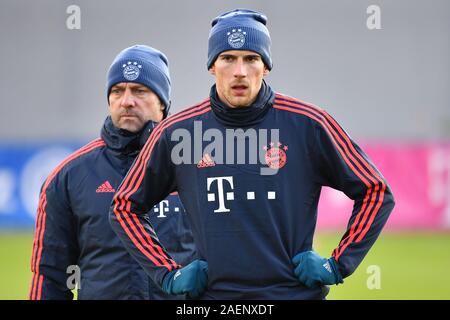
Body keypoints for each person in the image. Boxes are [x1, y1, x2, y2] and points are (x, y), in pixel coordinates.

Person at [109, 9, 395, 299]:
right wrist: (168, 273)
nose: (240, 71)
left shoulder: (309, 124)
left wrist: (336, 265)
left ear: (266, 66)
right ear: (211, 65)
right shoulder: (177, 133)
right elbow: (124, 207)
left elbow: (375, 191)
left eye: (251, 58)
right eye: (228, 58)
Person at [29, 45, 196, 300]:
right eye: (118, 91)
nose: (127, 101)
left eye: (139, 91)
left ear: (162, 102)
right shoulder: (68, 177)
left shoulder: (194, 169)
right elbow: (49, 276)